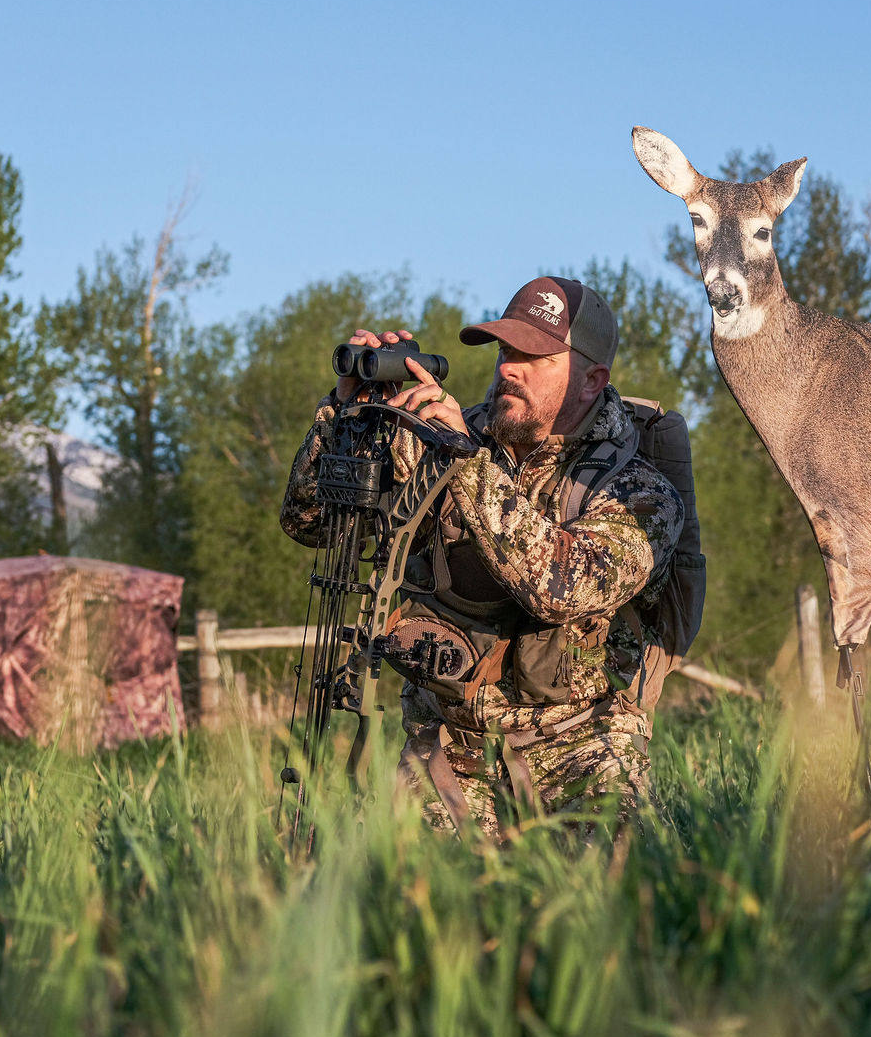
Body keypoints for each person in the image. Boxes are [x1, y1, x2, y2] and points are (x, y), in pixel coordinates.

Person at [280, 276, 685, 838]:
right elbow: (311, 522)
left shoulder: (639, 494)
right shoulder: (448, 438)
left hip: (581, 747)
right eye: (504, 351)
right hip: (446, 751)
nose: (507, 368)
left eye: (533, 356)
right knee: (384, 898)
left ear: (592, 381)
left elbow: (558, 586)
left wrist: (463, 460)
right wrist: (347, 415)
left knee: (601, 899)